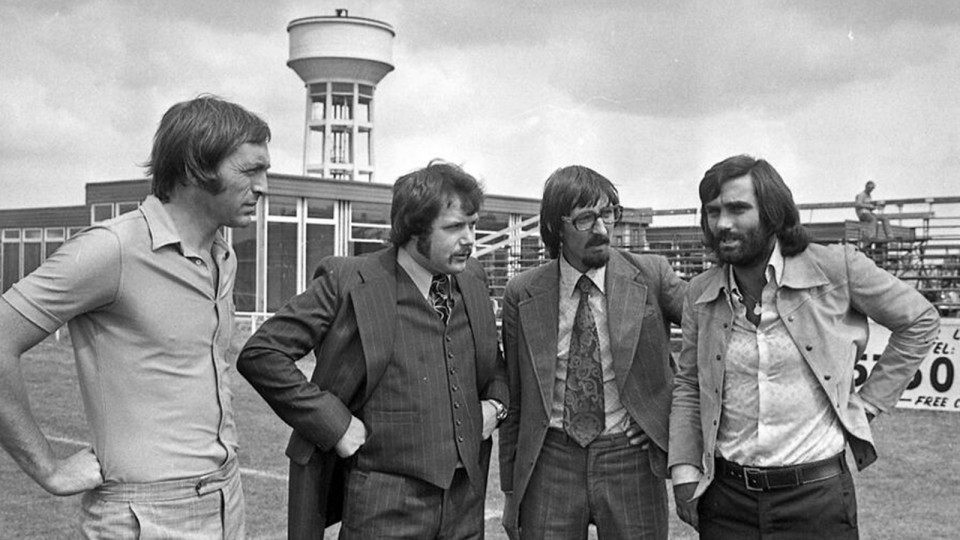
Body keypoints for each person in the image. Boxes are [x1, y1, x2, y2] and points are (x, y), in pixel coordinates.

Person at [0, 95, 271, 537]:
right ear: (193, 170)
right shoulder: (112, 249)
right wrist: (47, 469)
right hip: (145, 514)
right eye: (249, 171)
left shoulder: (223, 254)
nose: (262, 187)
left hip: (226, 498)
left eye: (266, 172)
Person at [669, 155, 940, 538]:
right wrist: (683, 473)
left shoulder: (836, 268)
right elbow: (688, 385)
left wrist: (871, 403)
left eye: (738, 209)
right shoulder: (700, 291)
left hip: (817, 500)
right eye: (713, 212)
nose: (723, 224)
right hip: (726, 501)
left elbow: (920, 320)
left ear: (773, 212)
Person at [237, 161, 508, 540]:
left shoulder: (473, 278)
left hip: (465, 504)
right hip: (383, 506)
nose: (470, 239)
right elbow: (262, 353)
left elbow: (494, 362)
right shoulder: (348, 280)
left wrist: (496, 406)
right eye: (454, 228)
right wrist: (335, 423)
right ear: (414, 230)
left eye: (473, 225)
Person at [499, 165, 687, 540]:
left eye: (608, 214)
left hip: (629, 459)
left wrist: (663, 419)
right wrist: (510, 491)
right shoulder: (522, 292)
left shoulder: (651, 274)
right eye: (586, 219)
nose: (602, 229)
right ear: (556, 228)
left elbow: (712, 331)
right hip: (550, 460)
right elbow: (517, 399)